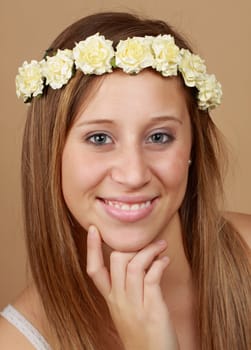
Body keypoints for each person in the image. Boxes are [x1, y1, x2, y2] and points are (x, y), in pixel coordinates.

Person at [0, 11, 250, 350]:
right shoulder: (18, 341)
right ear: (51, 154)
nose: (133, 175)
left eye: (159, 137)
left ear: (193, 147)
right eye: (100, 138)